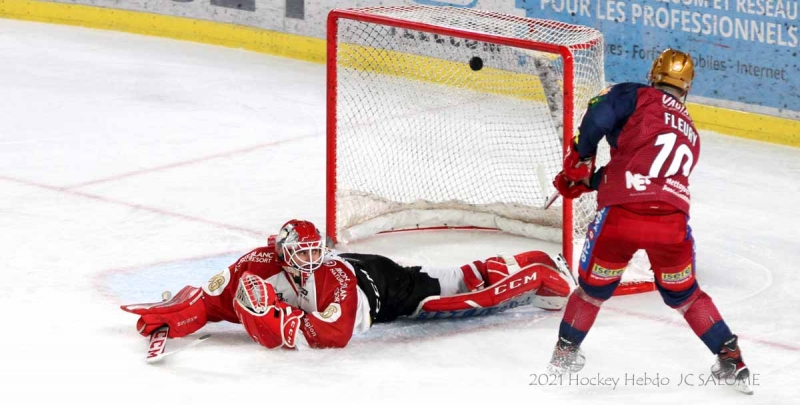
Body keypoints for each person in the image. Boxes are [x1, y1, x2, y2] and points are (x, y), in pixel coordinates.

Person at [549, 48, 751, 389]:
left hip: (621, 221)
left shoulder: (635, 94)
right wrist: (592, 181)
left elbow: (598, 116)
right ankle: (731, 359)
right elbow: (649, 176)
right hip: (671, 225)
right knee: (687, 297)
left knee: (591, 293)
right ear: (687, 88)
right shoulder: (690, 132)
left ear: (653, 75)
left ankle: (564, 355)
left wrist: (581, 162)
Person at [122, 219, 575, 350]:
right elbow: (213, 301)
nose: (308, 261)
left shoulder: (330, 276)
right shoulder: (254, 266)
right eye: (301, 254)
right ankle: (530, 260)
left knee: (447, 296)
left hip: (374, 285)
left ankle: (537, 273)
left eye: (314, 252)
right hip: (359, 270)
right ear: (281, 252)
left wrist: (276, 318)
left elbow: (336, 334)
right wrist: (188, 315)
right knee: (446, 280)